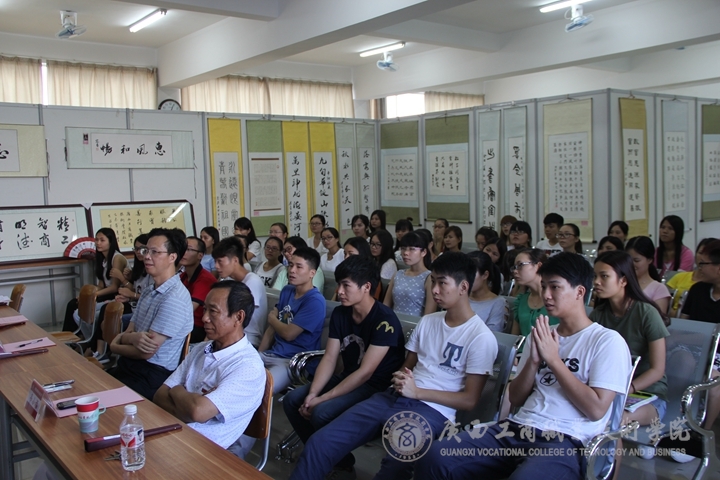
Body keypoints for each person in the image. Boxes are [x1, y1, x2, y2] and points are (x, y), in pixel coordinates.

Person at [414, 252, 631, 480]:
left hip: (566, 440)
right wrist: (534, 362)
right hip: (518, 428)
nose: (546, 295)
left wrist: (554, 360)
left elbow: (596, 410)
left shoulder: (606, 341)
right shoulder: (542, 335)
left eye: (555, 287)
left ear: (579, 292)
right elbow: (516, 399)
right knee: (436, 457)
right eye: (544, 286)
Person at [289, 252, 498, 480]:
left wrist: (417, 392)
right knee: (320, 443)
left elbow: (469, 400)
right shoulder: (428, 322)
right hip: (393, 397)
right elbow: (406, 367)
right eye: (433, 282)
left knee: (394, 467)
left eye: (442, 283)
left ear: (463, 287)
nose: (435, 290)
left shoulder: (480, 337)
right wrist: (400, 379)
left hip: (434, 411)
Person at [283, 256, 405, 476]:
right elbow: (330, 358)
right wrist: (313, 394)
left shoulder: (385, 321)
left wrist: (322, 399)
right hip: (348, 376)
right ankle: (336, 459)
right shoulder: (341, 313)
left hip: (375, 386)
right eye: (339, 284)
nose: (339, 291)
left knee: (321, 412)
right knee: (294, 400)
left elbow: (366, 373)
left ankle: (330, 459)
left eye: (346, 285)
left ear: (366, 287)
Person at [153, 281, 265, 452]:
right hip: (171, 433)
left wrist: (175, 391)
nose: (204, 317)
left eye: (213, 311)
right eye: (205, 309)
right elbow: (160, 395)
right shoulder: (201, 349)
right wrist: (188, 403)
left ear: (238, 317)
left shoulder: (248, 367)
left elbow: (198, 411)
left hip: (201, 451)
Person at [108, 228, 194, 400]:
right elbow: (130, 332)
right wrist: (132, 338)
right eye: (146, 251)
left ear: (172, 257)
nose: (147, 256)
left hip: (151, 376)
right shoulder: (148, 291)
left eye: (155, 252)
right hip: (130, 366)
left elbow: (146, 352)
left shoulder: (174, 298)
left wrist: (114, 346)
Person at [590, 250, 669, 434]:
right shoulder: (598, 315)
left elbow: (657, 370)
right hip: (609, 390)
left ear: (623, 280)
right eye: (595, 276)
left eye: (604, 276)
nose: (596, 282)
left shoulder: (646, 313)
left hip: (649, 394)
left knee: (616, 418)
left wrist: (626, 390)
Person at [259, 246, 326, 393]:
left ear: (312, 273)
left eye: (299, 267)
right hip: (272, 354)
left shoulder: (315, 301)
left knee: (262, 389)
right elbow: (271, 330)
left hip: (292, 361)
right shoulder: (287, 290)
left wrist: (272, 319)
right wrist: (258, 356)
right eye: (290, 265)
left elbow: (289, 333)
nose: (292, 270)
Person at [681, 239, 720, 429]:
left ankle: (704, 433)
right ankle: (678, 425)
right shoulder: (697, 290)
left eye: (703, 264)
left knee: (712, 380)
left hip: (716, 353)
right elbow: (684, 324)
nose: (699, 268)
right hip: (693, 347)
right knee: (682, 363)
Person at [62, 228, 128, 332]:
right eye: (96, 240)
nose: (98, 243)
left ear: (111, 242)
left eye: (102, 240)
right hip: (106, 293)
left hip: (116, 294)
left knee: (82, 310)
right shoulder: (101, 258)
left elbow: (114, 287)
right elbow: (101, 285)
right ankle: (71, 335)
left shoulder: (117, 258)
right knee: (73, 303)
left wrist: (93, 295)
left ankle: (85, 338)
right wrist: (87, 294)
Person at [212, 236, 268, 348]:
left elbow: (234, 316)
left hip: (248, 339)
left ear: (235, 260)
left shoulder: (252, 282)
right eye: (215, 261)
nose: (216, 266)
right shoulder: (229, 280)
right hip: (229, 336)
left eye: (220, 261)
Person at [383, 231, 436, 316]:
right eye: (403, 248)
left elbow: (429, 316)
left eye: (412, 249)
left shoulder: (429, 277)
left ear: (423, 252)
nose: (406, 253)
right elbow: (385, 307)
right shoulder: (398, 274)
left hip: (416, 323)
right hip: (394, 322)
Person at [510, 249, 559, 336]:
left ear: (538, 266)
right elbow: (514, 338)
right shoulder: (521, 301)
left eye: (520, 265)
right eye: (514, 267)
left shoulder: (557, 298)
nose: (515, 271)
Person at [180, 236, 218, 343]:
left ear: (200, 255)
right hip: (186, 323)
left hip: (200, 327)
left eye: (189, 249)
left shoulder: (205, 279)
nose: (183, 252)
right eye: (182, 248)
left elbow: (187, 310)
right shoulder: (183, 276)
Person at [667, 238, 717, 316]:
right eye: (700, 253)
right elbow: (685, 321)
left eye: (704, 263)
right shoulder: (696, 289)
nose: (702, 259)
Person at [625, 236, 671, 314]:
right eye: (628, 260)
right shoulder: (621, 283)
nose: (631, 264)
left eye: (636, 260)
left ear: (649, 260)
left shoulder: (659, 289)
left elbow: (658, 319)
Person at [467, 251, 507, 332]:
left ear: (485, 275)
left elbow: (493, 334)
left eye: (471, 274)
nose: (466, 278)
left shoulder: (498, 303)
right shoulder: (460, 296)